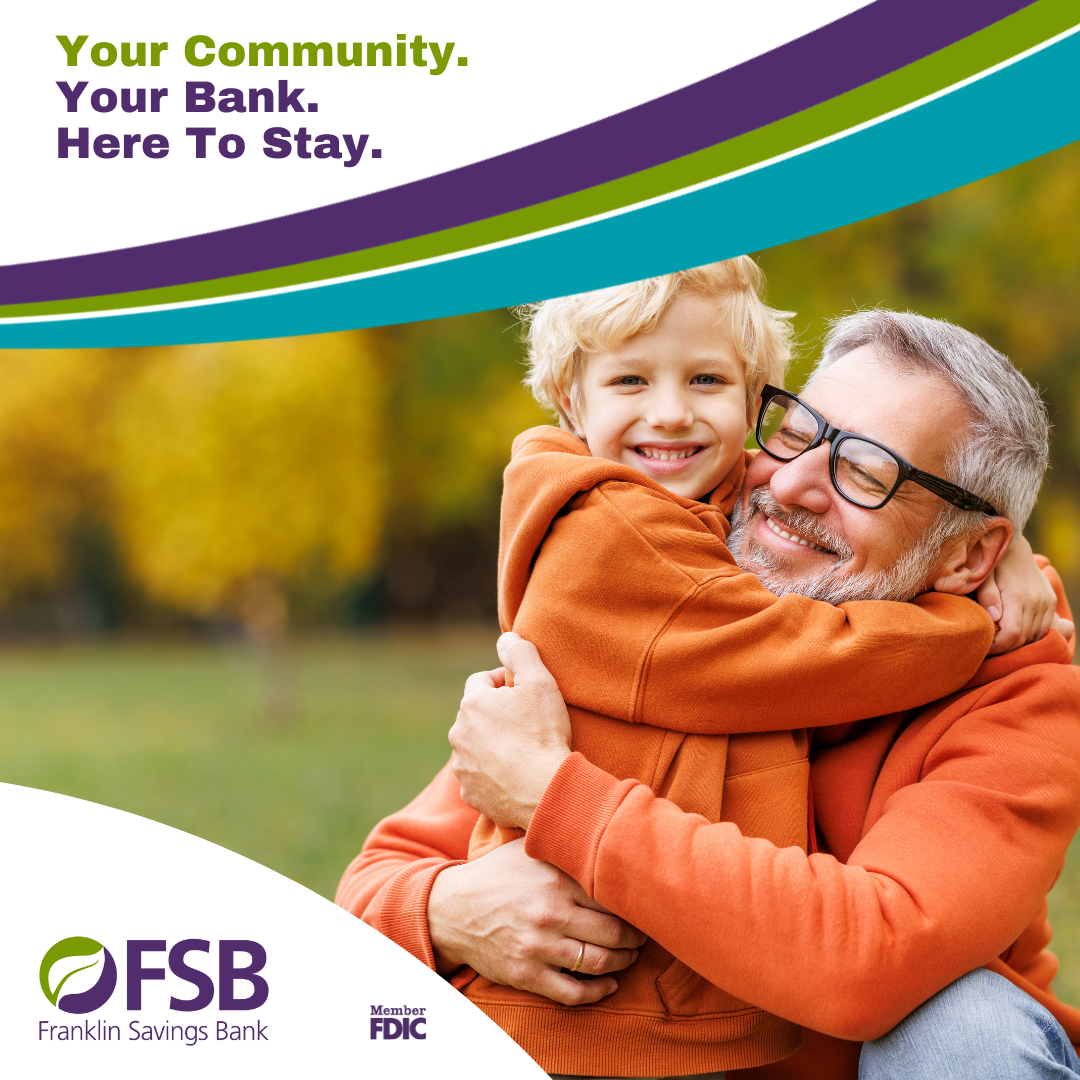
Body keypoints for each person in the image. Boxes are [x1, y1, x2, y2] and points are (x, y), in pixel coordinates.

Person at [338, 309, 1080, 1078]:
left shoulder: (1018, 696)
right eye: (795, 431)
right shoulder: (679, 603)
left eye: (865, 474)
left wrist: (557, 797)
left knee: (969, 1031)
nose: (790, 484)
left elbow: (870, 956)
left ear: (970, 557)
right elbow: (369, 889)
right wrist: (450, 911)